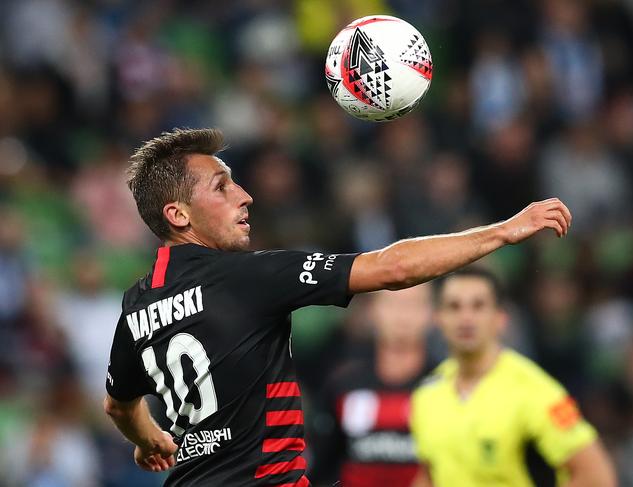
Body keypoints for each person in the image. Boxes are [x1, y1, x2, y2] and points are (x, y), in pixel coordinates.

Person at [103, 127, 572, 487]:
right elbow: (393, 269)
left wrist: (148, 440)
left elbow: (119, 405)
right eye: (222, 187)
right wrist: (502, 231)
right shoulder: (250, 277)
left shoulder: (136, 307)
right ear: (178, 215)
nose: (245, 196)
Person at [410, 268, 617, 487]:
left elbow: (597, 476)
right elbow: (430, 475)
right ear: (438, 319)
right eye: (454, 307)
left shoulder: (534, 389)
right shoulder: (427, 394)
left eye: (478, 306)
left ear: (500, 318)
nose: (466, 318)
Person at [309, 284, 436, 487]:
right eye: (393, 304)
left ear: (432, 313)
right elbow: (320, 465)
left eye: (413, 304)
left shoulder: (446, 385)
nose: (402, 316)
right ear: (373, 310)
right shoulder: (343, 385)